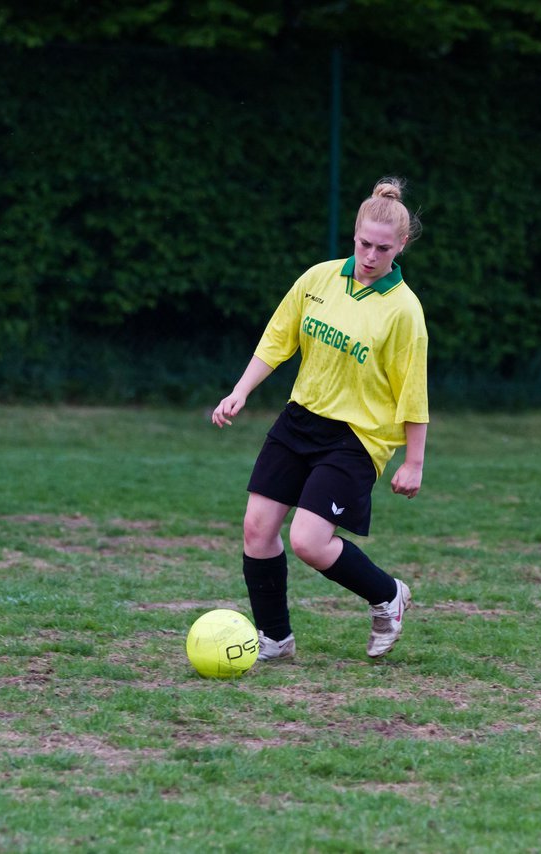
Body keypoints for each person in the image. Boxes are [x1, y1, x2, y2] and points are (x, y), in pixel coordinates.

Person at [211, 177, 429, 661]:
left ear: (402, 245)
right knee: (256, 528)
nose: (371, 255)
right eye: (363, 244)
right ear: (354, 236)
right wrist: (240, 392)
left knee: (309, 540)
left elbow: (413, 393)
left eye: (383, 248)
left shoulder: (404, 312)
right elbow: (276, 340)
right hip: (299, 419)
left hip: (356, 436)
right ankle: (276, 640)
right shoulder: (319, 279)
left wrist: (413, 461)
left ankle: (388, 596)